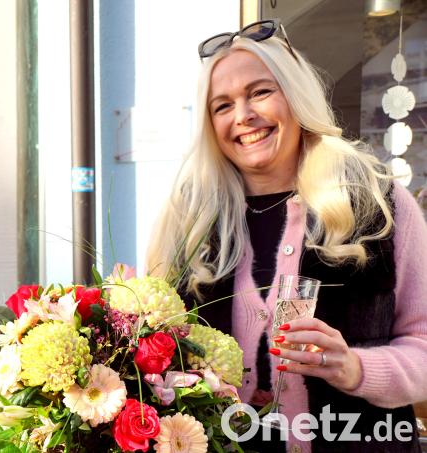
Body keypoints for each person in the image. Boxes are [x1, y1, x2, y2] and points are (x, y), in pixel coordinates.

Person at [146, 19, 427, 453]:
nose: (244, 116)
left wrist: (354, 368)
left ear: (295, 96)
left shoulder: (377, 202)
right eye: (222, 106)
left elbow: (423, 346)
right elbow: (151, 343)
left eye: (260, 92)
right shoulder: (190, 216)